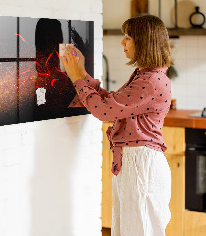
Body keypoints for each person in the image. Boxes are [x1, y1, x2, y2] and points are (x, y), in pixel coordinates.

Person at [61, 14, 173, 236]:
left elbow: (104, 111)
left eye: (128, 37)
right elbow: (112, 103)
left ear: (144, 41)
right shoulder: (146, 76)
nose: (122, 42)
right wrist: (82, 73)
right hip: (136, 163)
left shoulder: (150, 81)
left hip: (141, 165)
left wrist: (76, 78)